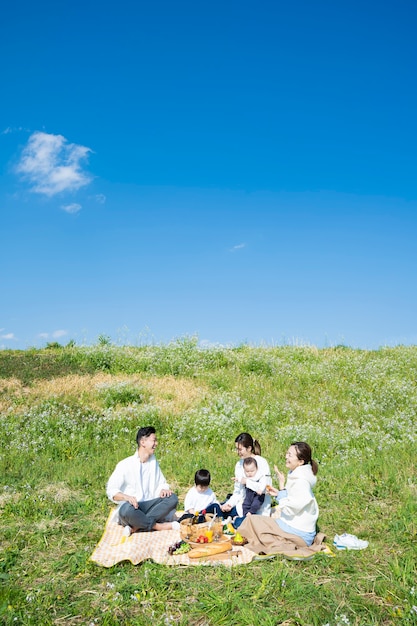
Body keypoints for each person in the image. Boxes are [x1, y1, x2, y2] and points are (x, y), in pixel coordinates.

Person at [239, 442, 323, 556]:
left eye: (290, 455)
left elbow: (291, 509)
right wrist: (279, 493)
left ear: (301, 461)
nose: (286, 457)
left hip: (298, 533)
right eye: (287, 453)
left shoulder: (301, 481)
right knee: (255, 523)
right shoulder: (297, 475)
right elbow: (292, 499)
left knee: (251, 521)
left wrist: (281, 495)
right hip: (292, 526)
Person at [106, 426, 179, 534]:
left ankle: (136, 527)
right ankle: (158, 526)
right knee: (126, 510)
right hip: (133, 507)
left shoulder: (154, 463)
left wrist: (164, 489)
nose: (156, 444)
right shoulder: (125, 464)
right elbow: (111, 490)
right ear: (143, 442)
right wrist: (127, 497)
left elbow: (161, 483)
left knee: (172, 498)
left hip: (149, 506)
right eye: (154, 440)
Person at [205, 432, 272, 522]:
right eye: (236, 449)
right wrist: (229, 504)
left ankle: (234, 521)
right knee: (214, 508)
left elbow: (267, 489)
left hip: (256, 511)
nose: (238, 452)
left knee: (239, 523)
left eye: (240, 449)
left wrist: (247, 482)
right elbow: (238, 492)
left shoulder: (261, 462)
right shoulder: (239, 465)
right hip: (241, 507)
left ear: (249, 448)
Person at [232, 457, 266, 528]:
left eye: (252, 471)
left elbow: (263, 483)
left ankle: (250, 513)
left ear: (257, 469)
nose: (250, 473)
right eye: (247, 471)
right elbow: (242, 479)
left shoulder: (260, 475)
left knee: (255, 504)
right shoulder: (246, 476)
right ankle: (245, 516)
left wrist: (261, 489)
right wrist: (237, 479)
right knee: (245, 504)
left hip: (258, 495)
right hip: (249, 494)